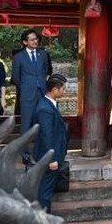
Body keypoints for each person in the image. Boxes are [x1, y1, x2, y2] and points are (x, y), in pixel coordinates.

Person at [33, 74, 68, 213]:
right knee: (45, 191)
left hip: (54, 154)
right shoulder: (44, 109)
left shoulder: (50, 104)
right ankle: (44, 220)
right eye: (63, 89)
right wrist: (51, 159)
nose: (65, 92)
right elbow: (46, 136)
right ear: (54, 90)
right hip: (48, 157)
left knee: (47, 188)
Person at [11, 29, 50, 134]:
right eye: (32, 39)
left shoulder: (43, 54)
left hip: (42, 92)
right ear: (25, 42)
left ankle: (41, 149)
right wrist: (26, 86)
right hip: (27, 93)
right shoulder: (18, 57)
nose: (35, 41)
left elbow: (45, 71)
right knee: (26, 124)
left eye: (36, 39)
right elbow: (16, 77)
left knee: (43, 123)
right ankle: (24, 150)